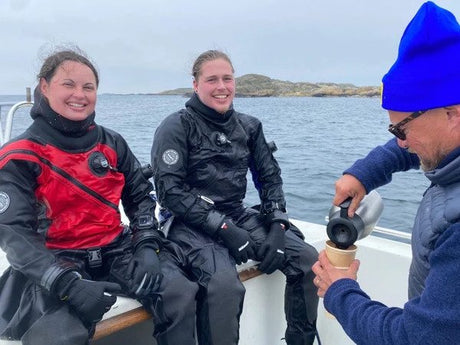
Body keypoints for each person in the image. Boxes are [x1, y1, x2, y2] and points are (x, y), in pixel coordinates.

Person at [0, 47, 197, 345]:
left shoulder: (112, 142)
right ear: (44, 86)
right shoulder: (19, 155)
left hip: (116, 250)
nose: (79, 94)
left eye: (88, 87)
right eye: (69, 84)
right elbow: (13, 233)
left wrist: (146, 244)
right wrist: (65, 283)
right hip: (54, 259)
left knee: (180, 294)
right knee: (58, 335)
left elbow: (140, 197)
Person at [312, 2, 460, 344]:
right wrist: (364, 173)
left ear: (452, 113)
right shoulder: (446, 144)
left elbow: (415, 338)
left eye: (401, 129)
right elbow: (415, 146)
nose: (401, 143)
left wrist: (340, 291)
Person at [151, 50, 319, 345]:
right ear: (195, 84)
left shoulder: (249, 126)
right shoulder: (176, 126)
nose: (221, 87)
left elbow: (269, 179)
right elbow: (170, 192)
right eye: (211, 79)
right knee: (224, 286)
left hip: (235, 213)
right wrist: (224, 229)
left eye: (227, 78)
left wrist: (278, 227)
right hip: (187, 222)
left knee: (306, 259)